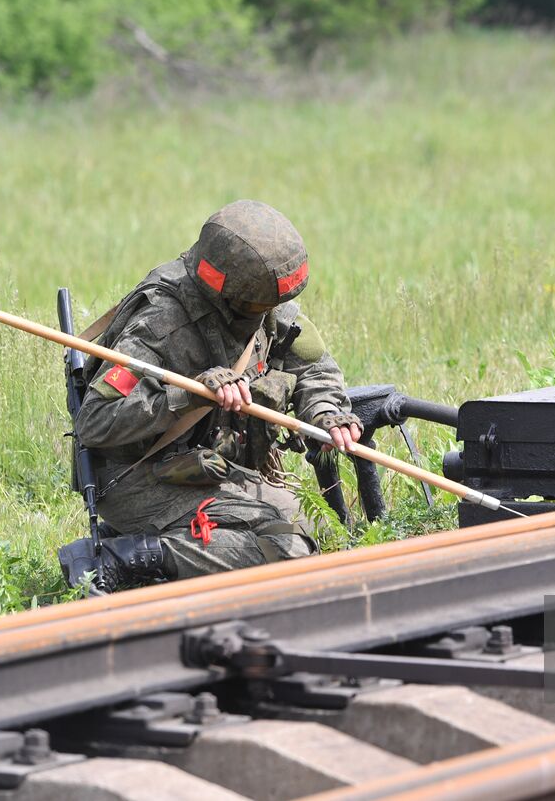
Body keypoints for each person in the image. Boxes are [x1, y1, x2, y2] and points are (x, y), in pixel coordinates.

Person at [57, 200, 362, 592]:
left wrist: (325, 413)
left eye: (273, 304)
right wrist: (189, 395)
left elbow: (315, 369)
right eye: (258, 305)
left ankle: (159, 550)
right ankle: (125, 559)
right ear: (228, 294)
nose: (270, 313)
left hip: (205, 467)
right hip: (139, 478)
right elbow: (95, 422)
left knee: (311, 526)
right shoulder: (161, 325)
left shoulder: (264, 308)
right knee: (289, 551)